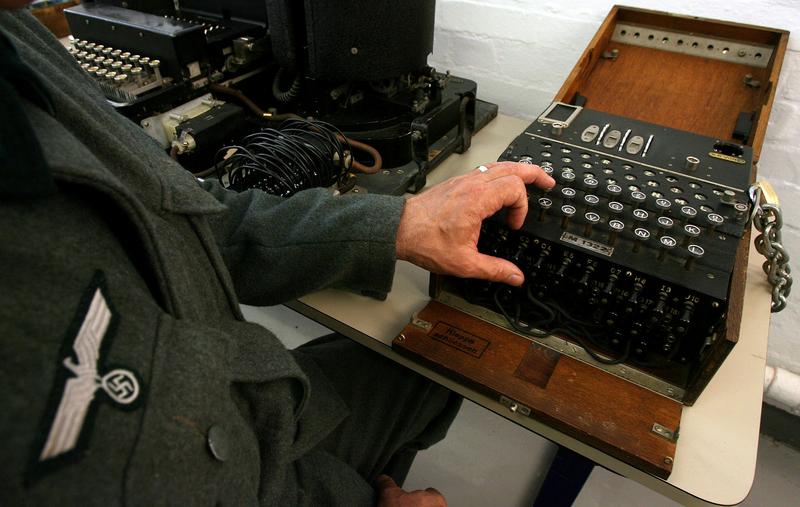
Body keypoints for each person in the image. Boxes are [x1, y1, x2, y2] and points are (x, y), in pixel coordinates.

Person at [0, 3, 554, 506]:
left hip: (246, 398)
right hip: (256, 480)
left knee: (431, 366)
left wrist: (400, 224)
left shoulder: (15, 36)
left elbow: (183, 213)